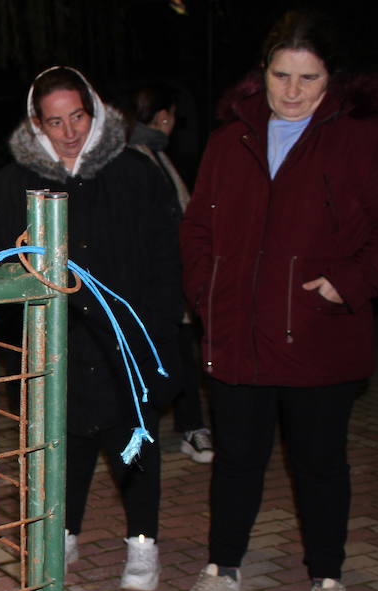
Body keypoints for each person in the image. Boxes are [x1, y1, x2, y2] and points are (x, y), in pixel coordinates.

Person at [175, 10, 378, 591]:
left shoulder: (365, 135)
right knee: (236, 460)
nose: (292, 91)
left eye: (308, 78)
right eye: (281, 74)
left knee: (319, 463)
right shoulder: (233, 137)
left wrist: (352, 283)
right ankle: (222, 569)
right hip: (237, 332)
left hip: (317, 332)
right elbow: (199, 227)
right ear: (263, 73)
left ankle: (327, 576)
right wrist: (208, 294)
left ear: (332, 78)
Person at [0, 66, 182, 591]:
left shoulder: (134, 172)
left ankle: (142, 543)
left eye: (79, 117)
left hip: (124, 334)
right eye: (55, 121)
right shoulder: (13, 181)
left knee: (134, 440)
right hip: (53, 338)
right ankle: (62, 532)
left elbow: (165, 258)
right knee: (64, 444)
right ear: (37, 124)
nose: (69, 132)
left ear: (96, 111)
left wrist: (162, 330)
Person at [124, 83, 214, 465]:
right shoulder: (137, 158)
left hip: (173, 280)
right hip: (154, 283)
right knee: (163, 358)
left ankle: (191, 428)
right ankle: (159, 430)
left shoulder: (157, 155)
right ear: (164, 116)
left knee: (179, 355)